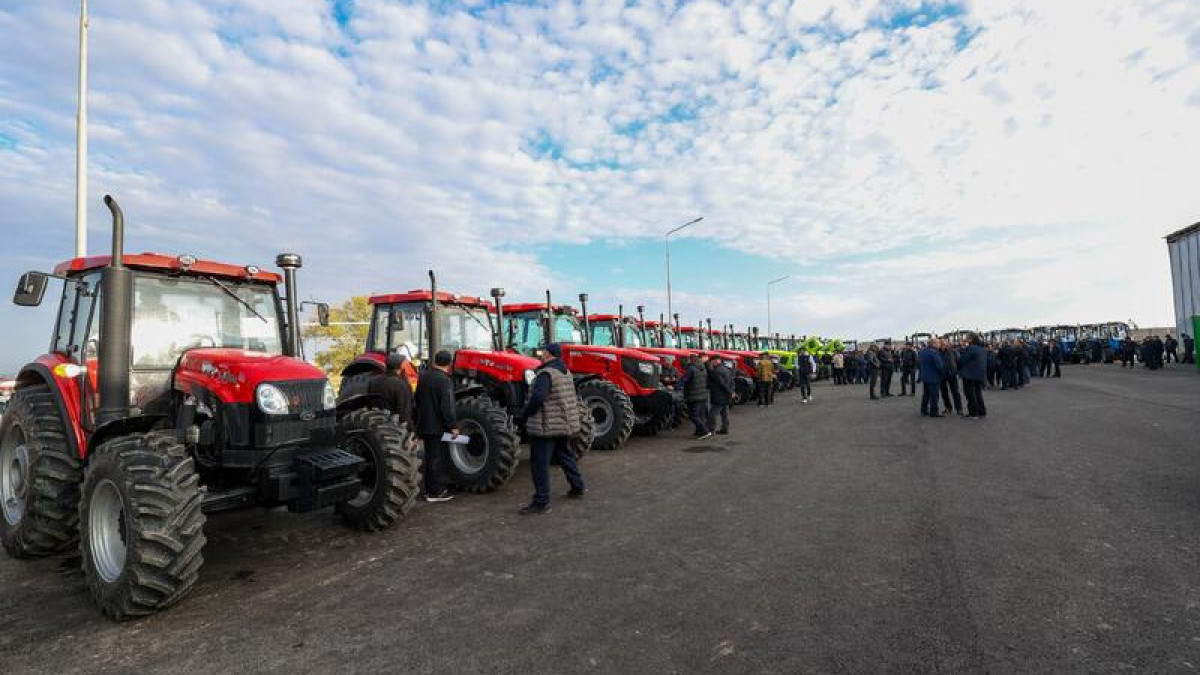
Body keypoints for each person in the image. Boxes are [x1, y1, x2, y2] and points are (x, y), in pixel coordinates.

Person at [516, 344, 585, 515]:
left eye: (543, 351)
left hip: (546, 426)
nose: (541, 354)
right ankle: (578, 486)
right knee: (565, 455)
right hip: (563, 423)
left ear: (548, 353)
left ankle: (541, 501)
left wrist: (524, 414)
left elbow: (538, 398)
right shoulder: (566, 372)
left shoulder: (545, 374)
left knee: (540, 464)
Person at [415, 350, 458, 503]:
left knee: (430, 457)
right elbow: (447, 406)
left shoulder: (424, 377)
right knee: (437, 459)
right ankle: (435, 492)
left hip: (425, 424)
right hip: (437, 427)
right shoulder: (444, 380)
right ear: (449, 363)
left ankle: (429, 489)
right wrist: (453, 426)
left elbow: (417, 399)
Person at [368, 352, 415, 427]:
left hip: (376, 424)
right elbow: (404, 412)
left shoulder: (372, 381)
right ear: (401, 365)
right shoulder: (400, 384)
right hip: (394, 428)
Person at [678, 354, 712, 438]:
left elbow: (685, 379)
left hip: (693, 395)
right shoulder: (703, 368)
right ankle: (699, 431)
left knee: (693, 415)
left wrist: (676, 386)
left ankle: (705, 431)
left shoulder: (691, 368)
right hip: (702, 394)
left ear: (691, 360)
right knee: (700, 415)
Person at [958, 334, 988, 418]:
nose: (966, 340)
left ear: (971, 339)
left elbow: (962, 360)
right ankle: (982, 411)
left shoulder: (971, 348)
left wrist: (962, 349)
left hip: (969, 374)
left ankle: (973, 412)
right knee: (978, 393)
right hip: (980, 374)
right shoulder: (982, 349)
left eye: (967, 338)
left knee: (970, 394)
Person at [707, 356, 734, 435]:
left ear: (715, 361)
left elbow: (721, 383)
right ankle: (725, 428)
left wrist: (729, 391)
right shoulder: (727, 369)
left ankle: (711, 429)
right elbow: (731, 381)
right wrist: (731, 391)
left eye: (711, 362)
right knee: (725, 413)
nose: (711, 364)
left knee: (713, 414)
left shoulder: (715, 371)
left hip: (718, 395)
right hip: (726, 396)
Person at [917, 340, 944, 417]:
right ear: (934, 344)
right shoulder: (934, 353)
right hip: (934, 377)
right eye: (938, 343)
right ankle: (934, 411)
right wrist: (942, 373)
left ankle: (923, 409)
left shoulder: (923, 352)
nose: (939, 344)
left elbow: (918, 363)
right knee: (934, 395)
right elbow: (939, 366)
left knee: (926, 394)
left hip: (925, 376)